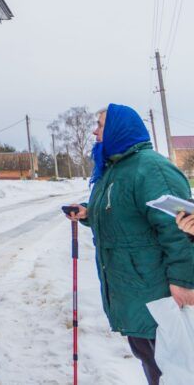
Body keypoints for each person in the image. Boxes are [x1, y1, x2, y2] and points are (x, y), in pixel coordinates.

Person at [64, 103, 194, 385]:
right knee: (154, 364)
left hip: (158, 295)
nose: (95, 131)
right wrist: (89, 212)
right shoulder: (115, 170)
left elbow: (178, 231)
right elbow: (124, 212)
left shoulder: (151, 170)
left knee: (173, 368)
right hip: (135, 292)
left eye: (100, 124)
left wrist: (184, 281)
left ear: (118, 128)